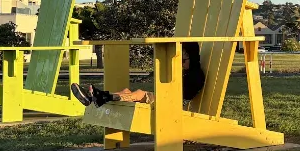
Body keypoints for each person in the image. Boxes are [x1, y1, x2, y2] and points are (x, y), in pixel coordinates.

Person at [71, 41, 205, 108]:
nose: (180, 64)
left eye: (183, 60)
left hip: (174, 105)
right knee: (127, 91)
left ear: (192, 59)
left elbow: (183, 97)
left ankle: (98, 97)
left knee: (140, 93)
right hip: (168, 100)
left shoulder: (195, 75)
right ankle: (95, 96)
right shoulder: (187, 73)